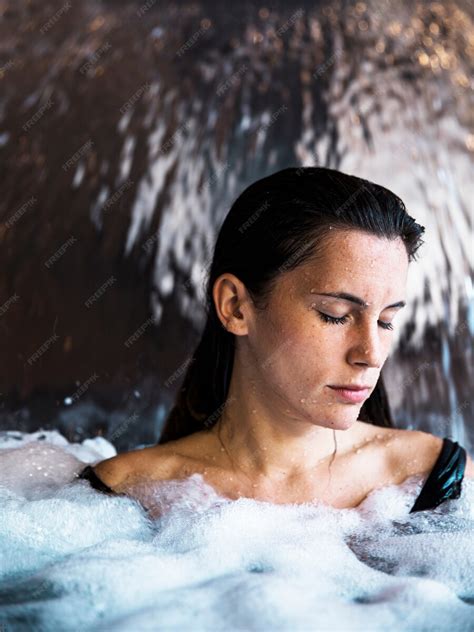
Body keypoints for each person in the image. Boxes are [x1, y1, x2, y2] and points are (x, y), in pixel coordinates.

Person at [77, 167, 473, 514]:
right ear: (235, 307)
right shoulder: (130, 493)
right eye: (334, 315)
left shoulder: (437, 483)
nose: (370, 354)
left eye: (386, 320)